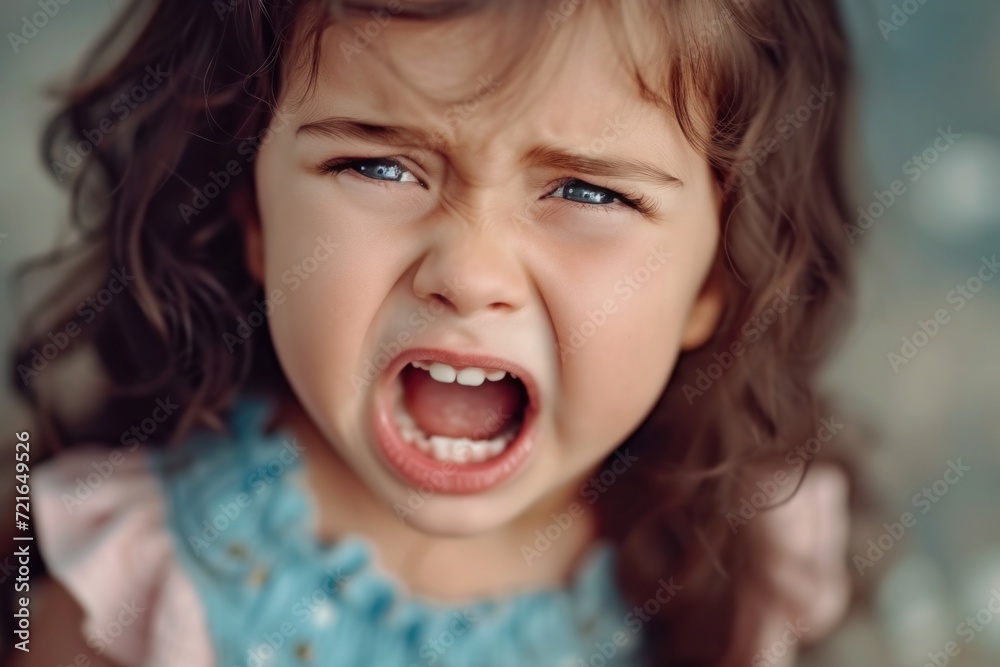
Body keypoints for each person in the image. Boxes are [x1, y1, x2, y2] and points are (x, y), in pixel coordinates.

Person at [10, 0, 855, 665]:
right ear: (253, 215)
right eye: (378, 166)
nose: (469, 272)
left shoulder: (739, 551)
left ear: (716, 279)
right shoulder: (139, 591)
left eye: (590, 193)